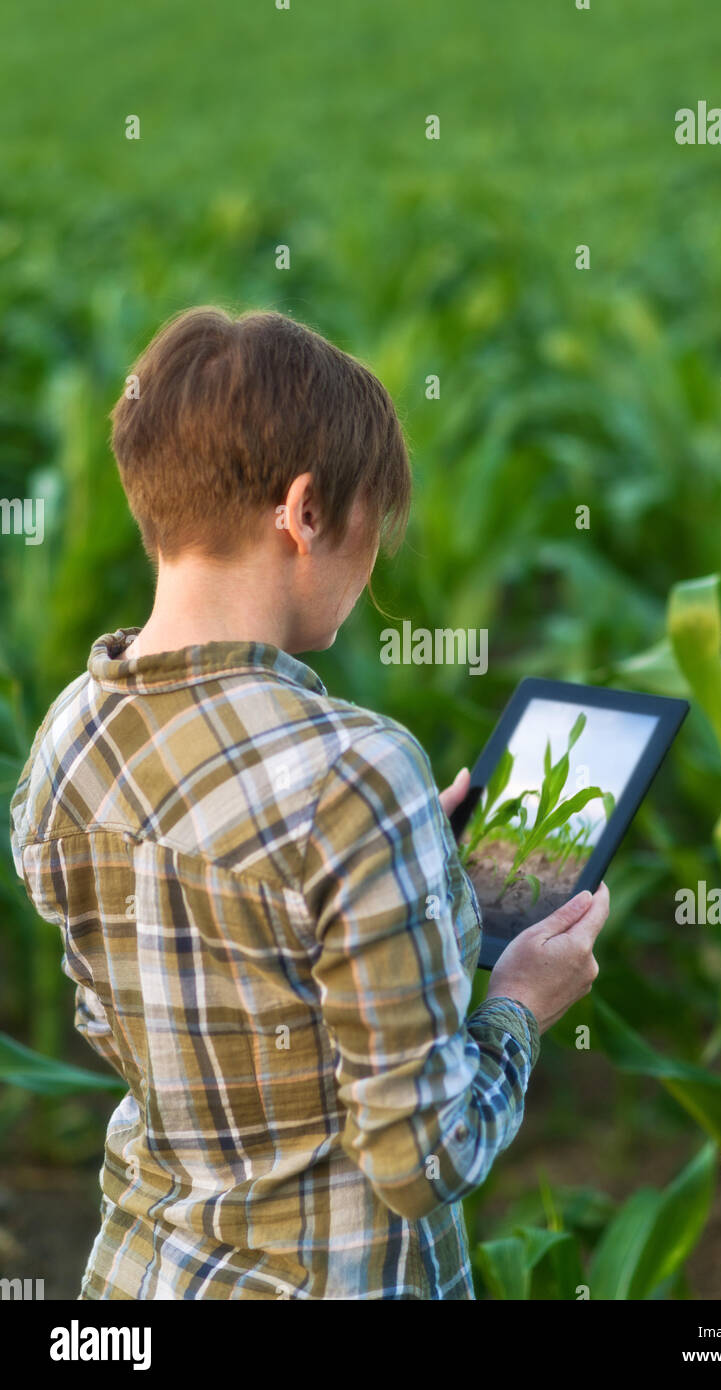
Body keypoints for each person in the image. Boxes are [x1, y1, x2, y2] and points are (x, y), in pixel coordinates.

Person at [10, 306, 609, 1300]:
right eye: (376, 522)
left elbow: (193, 994)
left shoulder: (67, 732)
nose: (373, 562)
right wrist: (519, 1004)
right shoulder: (357, 775)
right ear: (304, 512)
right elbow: (421, 1161)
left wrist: (414, 884)